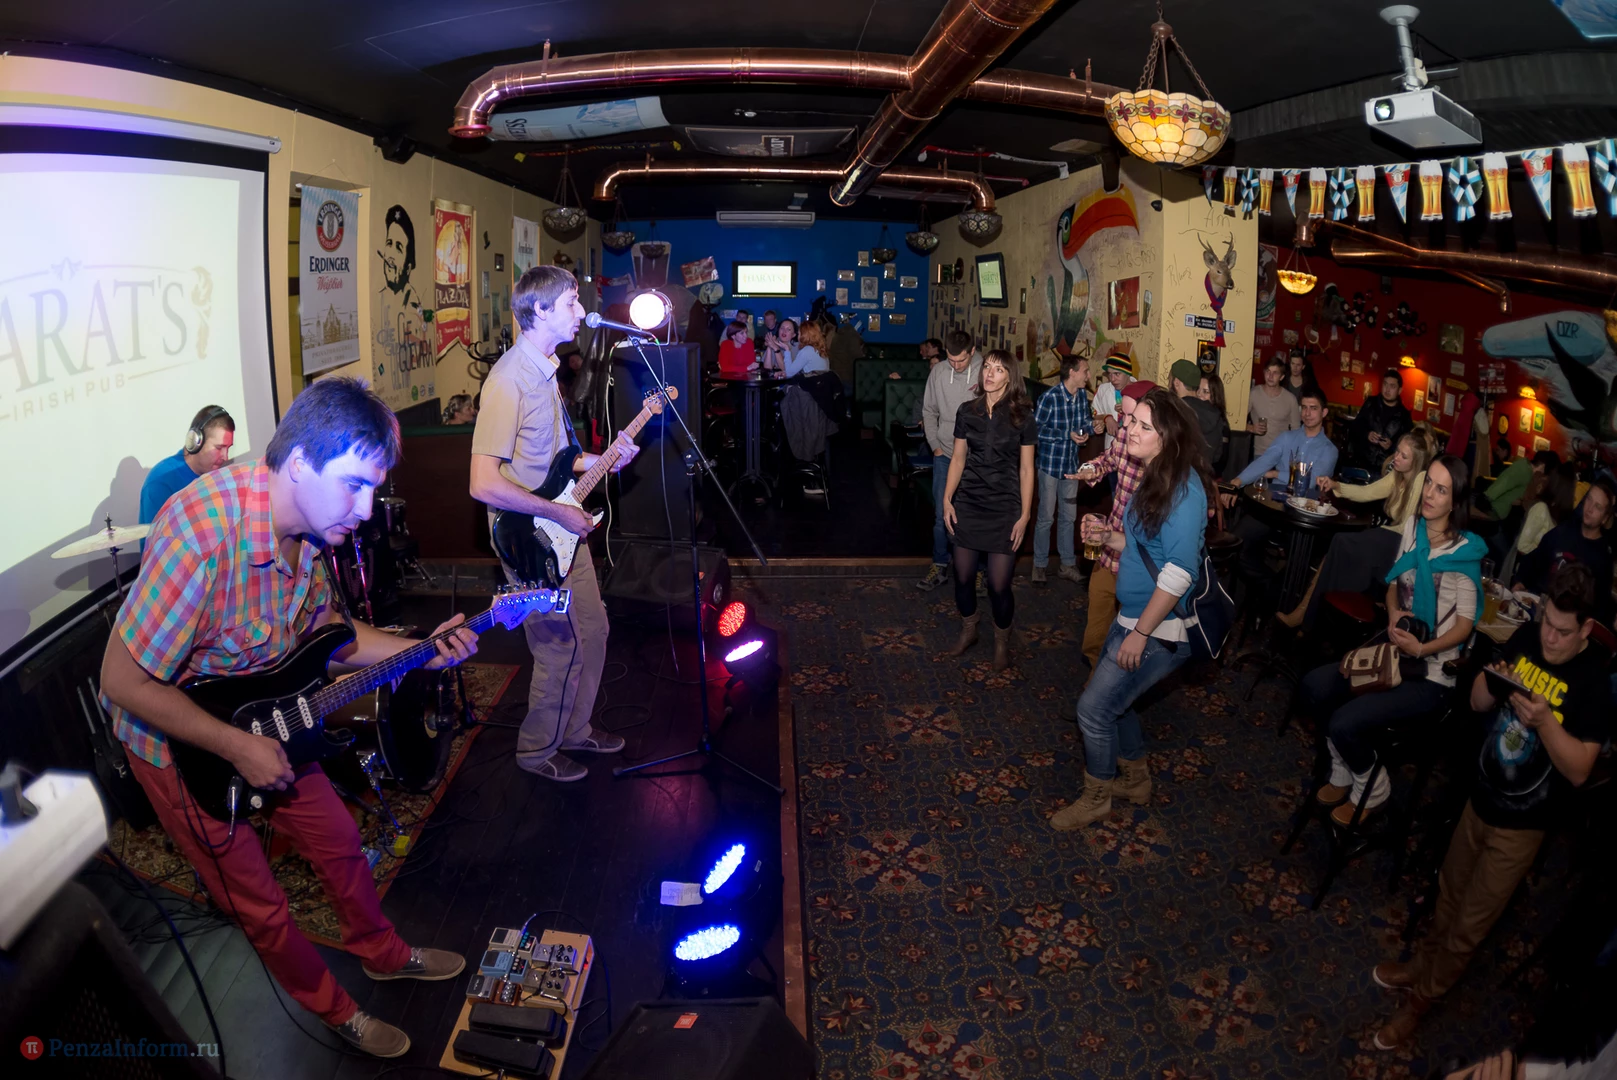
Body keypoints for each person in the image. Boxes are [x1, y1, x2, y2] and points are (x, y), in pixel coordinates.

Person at [99, 378, 476, 1059]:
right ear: (299, 463)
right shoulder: (201, 532)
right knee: (261, 903)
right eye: (353, 485)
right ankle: (336, 1011)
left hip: (265, 712)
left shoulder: (313, 527)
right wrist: (234, 747)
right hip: (179, 743)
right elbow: (121, 680)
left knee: (339, 842)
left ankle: (382, 953)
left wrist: (426, 649)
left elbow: (330, 637)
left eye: (373, 489)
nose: (365, 510)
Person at [1369, 563, 1608, 1050]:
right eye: (1547, 622)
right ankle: (1421, 966)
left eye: (1563, 632)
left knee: (1470, 924)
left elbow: (1580, 770)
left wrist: (1545, 723)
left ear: (1585, 629)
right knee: (1447, 894)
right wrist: (1493, 680)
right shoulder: (1526, 637)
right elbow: (1478, 702)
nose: (1550, 638)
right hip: (1481, 796)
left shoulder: (1593, 681)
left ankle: (1423, 1000)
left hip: (1523, 824)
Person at [470, 265, 639, 782]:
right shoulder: (508, 382)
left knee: (594, 630)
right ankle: (535, 750)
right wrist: (556, 511)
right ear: (540, 310)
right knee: (557, 647)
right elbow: (482, 483)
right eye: (570, 302)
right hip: (528, 539)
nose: (581, 311)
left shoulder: (547, 369)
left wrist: (604, 460)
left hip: (564, 528)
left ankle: (574, 730)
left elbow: (558, 461)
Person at [1052, 387, 1211, 829]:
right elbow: (1143, 547)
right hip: (1134, 616)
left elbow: (1179, 574)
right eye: (1131, 421)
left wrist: (1140, 634)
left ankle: (1097, 795)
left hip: (1159, 628)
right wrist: (1110, 537)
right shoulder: (1155, 475)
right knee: (1117, 704)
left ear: (1168, 437)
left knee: (1093, 710)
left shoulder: (1184, 491)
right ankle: (1137, 780)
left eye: (1143, 425)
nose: (1129, 430)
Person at [1297, 454, 1483, 825]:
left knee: (1344, 722)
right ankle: (1344, 769)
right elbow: (1395, 584)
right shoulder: (1413, 527)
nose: (1429, 493)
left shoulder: (1464, 554)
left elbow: (1464, 629)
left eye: (1441, 490)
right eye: (1428, 483)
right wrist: (1395, 611)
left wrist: (1422, 648)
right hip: (1396, 653)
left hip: (1431, 675)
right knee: (1315, 687)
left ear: (1455, 501)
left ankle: (1374, 786)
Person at [941, 349, 1036, 670]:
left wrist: (1025, 515)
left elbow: (1027, 469)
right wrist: (947, 499)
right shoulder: (967, 411)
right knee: (963, 577)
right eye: (987, 368)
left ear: (1010, 376)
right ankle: (969, 628)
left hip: (1005, 506)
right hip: (969, 502)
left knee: (998, 585)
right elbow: (958, 459)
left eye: (998, 369)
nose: (989, 374)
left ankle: (1001, 640)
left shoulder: (1023, 415)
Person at [1282, 429, 1433, 629]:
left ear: (1416, 461)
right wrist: (1336, 485)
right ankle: (1308, 614)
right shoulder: (1398, 476)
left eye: (1403, 456)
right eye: (1397, 451)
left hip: (1403, 547)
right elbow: (1367, 492)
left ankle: (1308, 617)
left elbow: (1408, 527)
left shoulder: (1421, 478)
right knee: (1337, 546)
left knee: (1341, 543)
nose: (1396, 457)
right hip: (1391, 538)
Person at [1070, 380, 1154, 666]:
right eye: (1124, 417)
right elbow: (1106, 460)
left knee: (1128, 635)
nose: (1125, 425)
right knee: (1097, 613)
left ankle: (1112, 682)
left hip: (1141, 561)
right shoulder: (1124, 438)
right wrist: (1089, 469)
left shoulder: (1166, 465)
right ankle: (1094, 669)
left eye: (1132, 418)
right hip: (1110, 548)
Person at [1223, 388, 1339, 582]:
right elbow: (1263, 462)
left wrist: (1277, 474)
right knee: (1235, 543)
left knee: (1299, 565)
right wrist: (1236, 482)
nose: (1307, 413)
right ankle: (1270, 587)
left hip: (1303, 517)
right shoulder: (1287, 438)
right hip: (1274, 509)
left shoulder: (1329, 450)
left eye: (1313, 408)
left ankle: (1278, 591)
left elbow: (1312, 481)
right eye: (1304, 408)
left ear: (1324, 412)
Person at [917, 330, 983, 591]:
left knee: (976, 515)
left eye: (961, 360)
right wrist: (934, 445)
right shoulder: (939, 372)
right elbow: (929, 410)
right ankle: (940, 564)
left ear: (972, 351)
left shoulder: (985, 372)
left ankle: (978, 571)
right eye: (951, 359)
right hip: (945, 453)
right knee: (940, 514)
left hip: (976, 458)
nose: (955, 366)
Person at [1031, 353, 1093, 586]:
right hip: (1049, 467)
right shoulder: (1049, 397)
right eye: (1085, 371)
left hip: (1071, 467)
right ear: (1072, 373)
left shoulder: (1081, 396)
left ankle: (1067, 565)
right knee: (1046, 518)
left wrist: (1091, 429)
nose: (1088, 375)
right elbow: (1035, 430)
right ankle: (1039, 565)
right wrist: (1066, 435)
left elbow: (1084, 424)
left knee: (1069, 518)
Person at [1513, 477, 1615, 610]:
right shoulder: (1565, 530)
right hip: (1535, 603)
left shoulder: (1602, 557)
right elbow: (1535, 558)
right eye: (1589, 499)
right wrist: (1521, 581)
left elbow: (1600, 604)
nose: (1590, 509)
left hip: (1566, 617)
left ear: (1605, 518)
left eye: (1598, 507)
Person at [140, 406, 235, 524]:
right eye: (219, 448)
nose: (225, 457)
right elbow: (155, 535)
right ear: (196, 442)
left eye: (228, 448)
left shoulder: (217, 476)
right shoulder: (161, 483)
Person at [1349, 370, 1413, 473]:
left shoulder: (1404, 416)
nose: (1387, 389)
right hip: (1361, 463)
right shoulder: (1370, 403)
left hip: (1386, 469)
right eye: (1385, 384)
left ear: (1399, 390)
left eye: (1392, 386)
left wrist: (1391, 446)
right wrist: (1367, 434)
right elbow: (1355, 426)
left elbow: (1408, 445)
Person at [1170, 359, 1225, 470]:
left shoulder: (1175, 411)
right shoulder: (1215, 414)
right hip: (1203, 477)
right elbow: (1217, 456)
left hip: (1178, 475)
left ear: (1176, 383)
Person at [1247, 355, 1301, 457]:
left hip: (1282, 453)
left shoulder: (1290, 399)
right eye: (1268, 371)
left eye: (1275, 373)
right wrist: (1251, 428)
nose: (1270, 376)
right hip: (1260, 453)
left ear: (1282, 377)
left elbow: (1296, 430)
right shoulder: (1253, 394)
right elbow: (1237, 421)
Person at [1484, 449, 1558, 519]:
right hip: (1495, 509)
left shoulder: (1528, 472)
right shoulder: (1523, 469)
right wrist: (1487, 497)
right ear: (1542, 465)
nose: (1544, 474)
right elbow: (1504, 482)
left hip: (1498, 510)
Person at [1093, 352, 1135, 452]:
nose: (1112, 379)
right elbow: (1094, 413)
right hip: (1111, 448)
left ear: (1128, 373)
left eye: (1117, 374)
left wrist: (1129, 410)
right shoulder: (1103, 390)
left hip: (1133, 448)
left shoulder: (1141, 392)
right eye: (1109, 374)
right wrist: (1107, 417)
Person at [1197, 374, 1232, 475]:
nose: (1199, 394)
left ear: (1215, 396)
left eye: (1205, 391)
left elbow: (1221, 461)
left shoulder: (1221, 423)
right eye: (1198, 389)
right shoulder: (1192, 415)